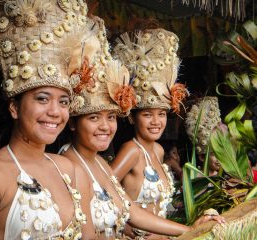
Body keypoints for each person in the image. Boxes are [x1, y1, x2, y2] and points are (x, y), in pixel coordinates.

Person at [60, 22, 225, 239]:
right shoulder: (66, 164)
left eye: (110, 117)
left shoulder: (100, 164)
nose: (105, 126)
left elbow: (130, 210)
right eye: (93, 117)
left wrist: (190, 230)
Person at [0, 1, 96, 239]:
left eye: (63, 102)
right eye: (42, 99)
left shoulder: (66, 169)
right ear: (14, 108)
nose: (55, 111)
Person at [109, 29, 190, 239]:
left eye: (161, 114)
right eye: (147, 114)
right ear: (132, 117)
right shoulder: (131, 150)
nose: (156, 122)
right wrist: (126, 228)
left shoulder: (158, 150)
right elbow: (102, 189)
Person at [185, 97, 222, 177]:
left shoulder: (225, 178)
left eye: (220, 153)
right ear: (202, 157)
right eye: (213, 154)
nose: (219, 159)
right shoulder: (192, 177)